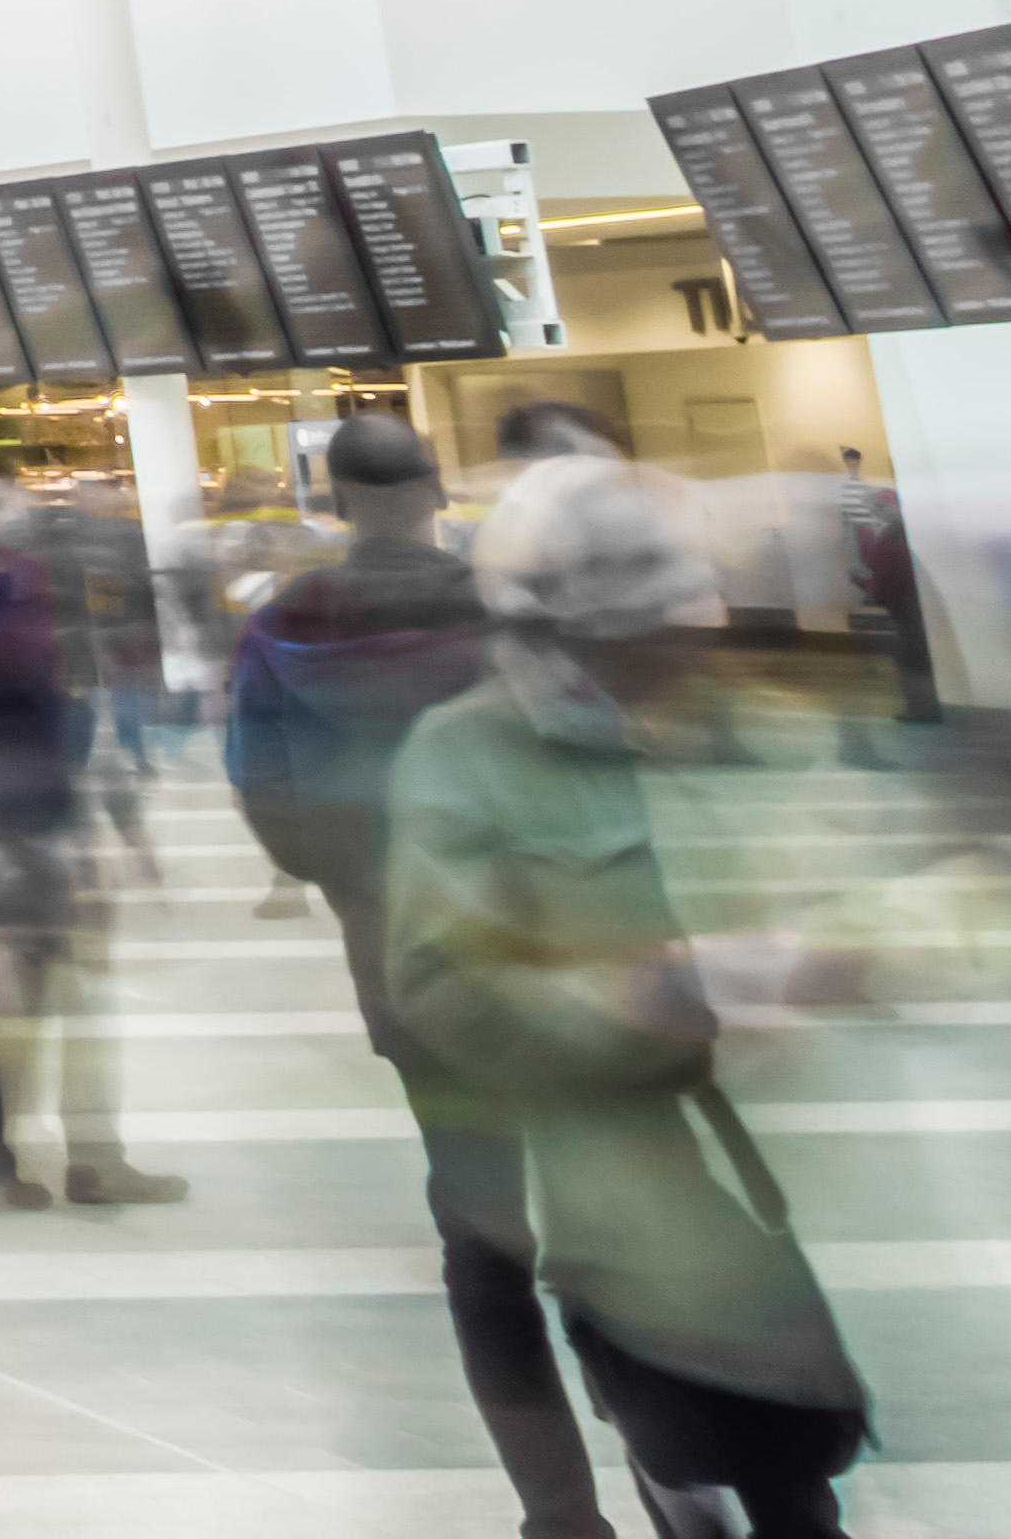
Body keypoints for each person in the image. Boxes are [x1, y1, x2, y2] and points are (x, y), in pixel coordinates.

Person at [388, 450, 873, 1538]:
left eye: (686, 617)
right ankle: (616, 1499)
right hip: (608, 1148)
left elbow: (811, 876)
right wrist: (637, 996)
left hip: (762, 1152)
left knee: (792, 1443)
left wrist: (849, 947)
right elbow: (440, 979)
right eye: (647, 631)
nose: (682, 645)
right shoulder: (469, 750)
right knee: (712, 1432)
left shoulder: (728, 725)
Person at [232, 407, 610, 1539]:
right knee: (621, 1216)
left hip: (408, 961)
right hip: (566, 952)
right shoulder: (519, 611)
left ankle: (559, 1510)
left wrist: (358, 875)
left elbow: (271, 799)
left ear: (335, 496)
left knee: (483, 1236)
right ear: (437, 488)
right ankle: (685, 1477)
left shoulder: (283, 626)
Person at [0, 466, 174, 1210]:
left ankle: (33, 1160)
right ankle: (33, 1162)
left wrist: (107, 819)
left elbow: (67, 701)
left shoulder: (25, 579)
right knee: (26, 991)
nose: (13, 508)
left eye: (12, 493)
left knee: (42, 989)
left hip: (37, 811)